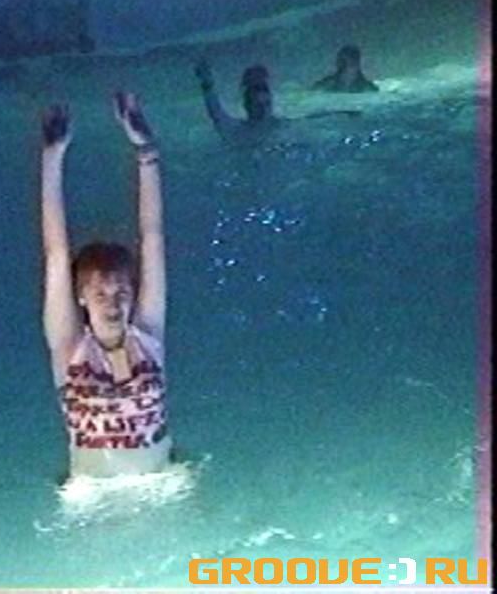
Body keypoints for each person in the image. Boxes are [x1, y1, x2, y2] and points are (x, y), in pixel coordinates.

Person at [40, 92, 171, 479]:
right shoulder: (69, 346)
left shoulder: (148, 335)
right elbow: (56, 253)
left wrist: (146, 151)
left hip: (163, 485)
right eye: (100, 294)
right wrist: (52, 157)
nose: (113, 304)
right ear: (81, 297)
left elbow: (152, 237)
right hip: (91, 496)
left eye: (121, 293)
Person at [194, 58, 361, 140]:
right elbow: (215, 112)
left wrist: (341, 111)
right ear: (247, 106)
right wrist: (206, 83)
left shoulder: (277, 125)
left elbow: (311, 118)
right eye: (259, 106)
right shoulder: (236, 130)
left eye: (266, 105)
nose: (264, 111)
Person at [312, 45, 379, 93]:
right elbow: (312, 92)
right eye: (343, 62)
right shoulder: (327, 83)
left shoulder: (367, 88)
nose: (348, 66)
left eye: (352, 63)